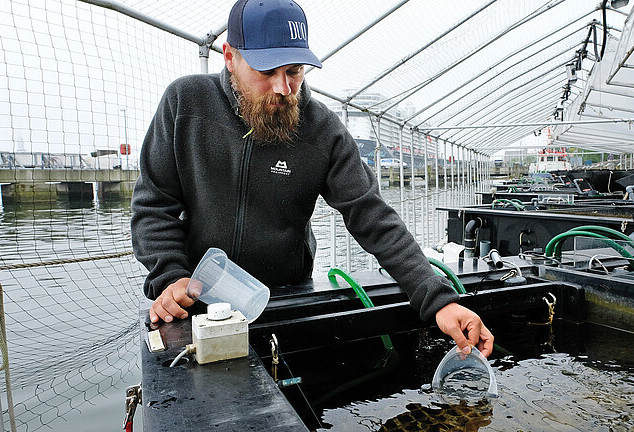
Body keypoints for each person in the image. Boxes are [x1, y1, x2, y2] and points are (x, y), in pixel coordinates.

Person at [131, 0, 493, 358]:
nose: (283, 88)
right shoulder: (186, 104)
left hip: (286, 298)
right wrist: (171, 277)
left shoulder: (322, 130)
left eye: (294, 71)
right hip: (196, 303)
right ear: (229, 56)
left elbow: (372, 216)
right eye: (267, 71)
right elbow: (153, 205)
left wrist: (439, 300)